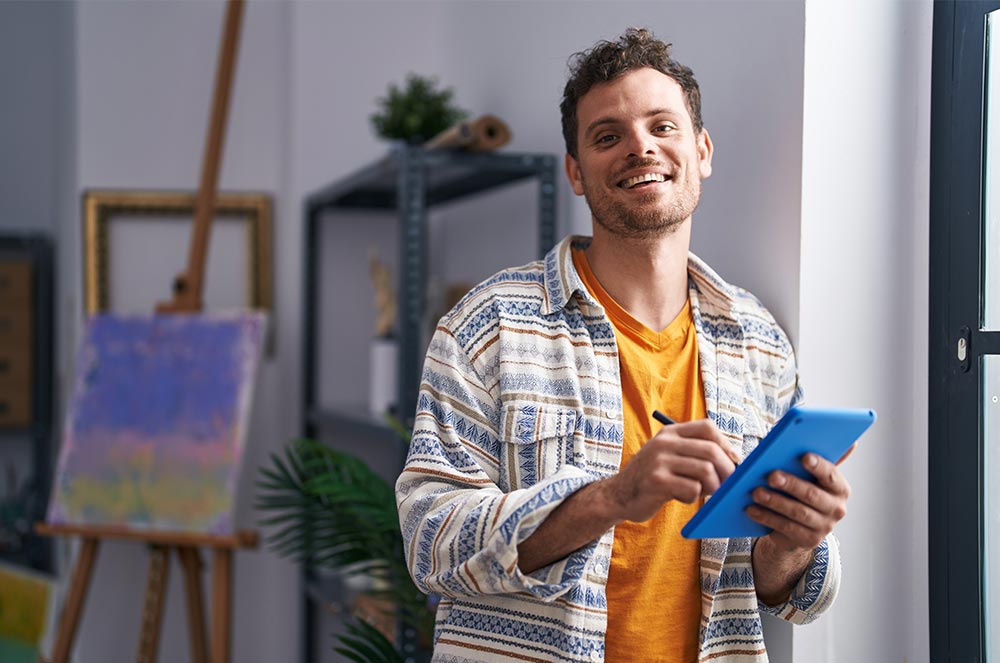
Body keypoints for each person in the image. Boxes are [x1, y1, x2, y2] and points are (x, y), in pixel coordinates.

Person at [396, 27, 849, 663]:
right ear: (576, 174)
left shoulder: (760, 344)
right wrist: (613, 496)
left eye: (662, 126)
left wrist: (796, 541)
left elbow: (787, 594)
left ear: (702, 149)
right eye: (608, 136)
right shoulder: (488, 326)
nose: (640, 147)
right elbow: (427, 544)